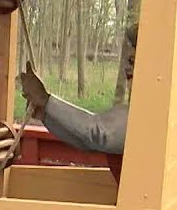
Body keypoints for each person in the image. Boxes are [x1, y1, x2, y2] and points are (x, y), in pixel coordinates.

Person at [17, 25, 136, 155]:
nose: (127, 68)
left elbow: (98, 134)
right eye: (129, 61)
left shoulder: (146, 114)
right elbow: (87, 142)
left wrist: (45, 100)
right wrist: (45, 115)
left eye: (133, 61)